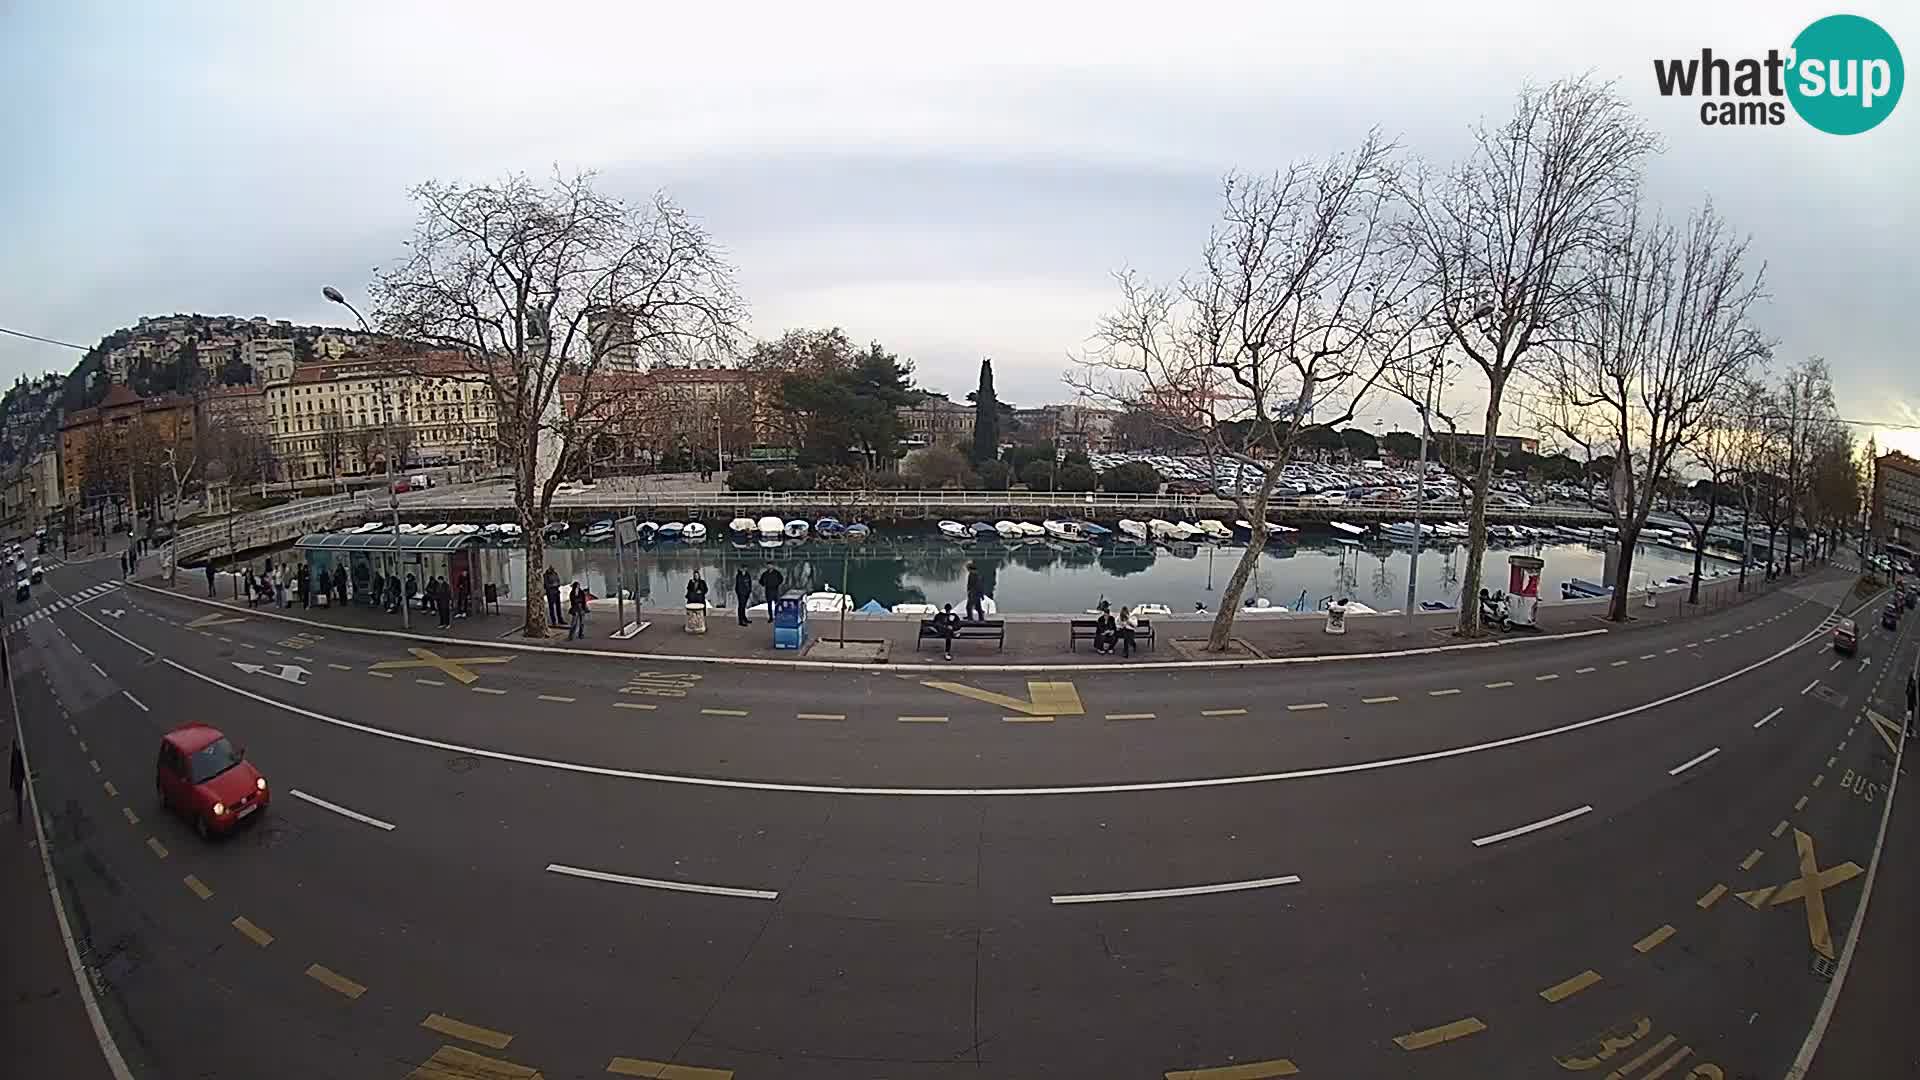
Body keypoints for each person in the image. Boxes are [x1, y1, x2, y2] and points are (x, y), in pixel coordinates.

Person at [8, 738, 23, 823]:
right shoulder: (18, 754)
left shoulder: (14, 756)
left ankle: (19, 814)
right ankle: (19, 814)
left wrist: (11, 783)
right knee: (18, 797)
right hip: (18, 779)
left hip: (17, 780)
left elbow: (12, 770)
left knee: (18, 797)